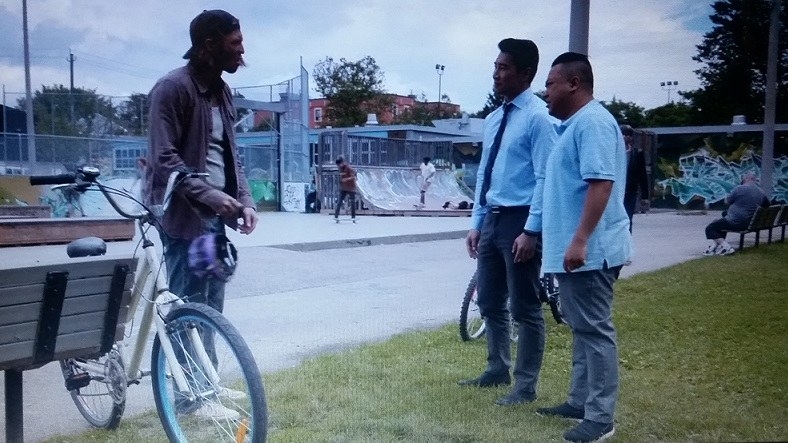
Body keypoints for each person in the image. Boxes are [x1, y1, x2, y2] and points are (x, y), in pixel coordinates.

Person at [144, 9, 258, 417]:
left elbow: (231, 155)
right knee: (187, 306)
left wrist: (243, 201)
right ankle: (191, 397)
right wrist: (210, 197)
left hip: (213, 217)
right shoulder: (171, 88)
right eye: (234, 43)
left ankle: (207, 385)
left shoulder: (221, 91)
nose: (242, 50)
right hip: (182, 216)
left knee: (210, 305)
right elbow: (163, 158)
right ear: (208, 46)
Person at [521, 51, 632, 443]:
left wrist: (580, 239)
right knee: (583, 327)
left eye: (550, 83)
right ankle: (580, 401)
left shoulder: (593, 123)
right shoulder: (574, 126)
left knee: (595, 330)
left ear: (573, 83)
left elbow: (601, 184)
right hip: (575, 250)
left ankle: (601, 418)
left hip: (590, 250)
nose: (545, 91)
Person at [459, 38, 558, 408]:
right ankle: (496, 368)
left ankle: (525, 385)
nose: (496, 75)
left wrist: (532, 230)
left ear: (526, 74)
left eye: (504, 68)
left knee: (525, 307)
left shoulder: (539, 117)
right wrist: (476, 222)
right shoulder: (495, 118)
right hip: (492, 219)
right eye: (495, 67)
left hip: (521, 219)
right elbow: (485, 172)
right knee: (489, 300)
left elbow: (546, 177)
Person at [703, 172, 770, 255]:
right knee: (723, 217)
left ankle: (727, 248)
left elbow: (727, 201)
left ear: (745, 179)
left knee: (710, 228)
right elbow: (767, 205)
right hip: (751, 222)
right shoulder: (761, 192)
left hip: (737, 222)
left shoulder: (739, 188)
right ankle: (715, 246)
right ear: (754, 180)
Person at [620, 124, 649, 232]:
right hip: (616, 191)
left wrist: (645, 196)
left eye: (628, 135)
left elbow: (642, 174)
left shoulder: (637, 153)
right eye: (623, 134)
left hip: (630, 191)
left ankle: (627, 243)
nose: (625, 137)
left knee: (628, 219)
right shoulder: (613, 152)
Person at [334, 156, 357, 221]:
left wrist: (346, 179)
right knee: (339, 201)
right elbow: (341, 177)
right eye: (338, 165)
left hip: (351, 187)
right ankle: (336, 216)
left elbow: (354, 175)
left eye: (340, 164)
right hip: (344, 188)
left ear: (343, 162)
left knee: (352, 202)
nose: (339, 166)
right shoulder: (340, 169)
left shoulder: (349, 168)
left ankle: (353, 216)